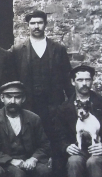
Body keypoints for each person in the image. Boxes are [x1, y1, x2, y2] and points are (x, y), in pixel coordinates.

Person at [12, 10, 73, 145]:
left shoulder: (58, 49)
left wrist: (71, 102)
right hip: (29, 104)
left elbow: (67, 78)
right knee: (30, 139)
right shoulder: (17, 51)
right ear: (28, 26)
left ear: (45, 24)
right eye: (32, 23)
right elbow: (14, 79)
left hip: (54, 105)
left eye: (40, 23)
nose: (36, 26)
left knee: (55, 140)